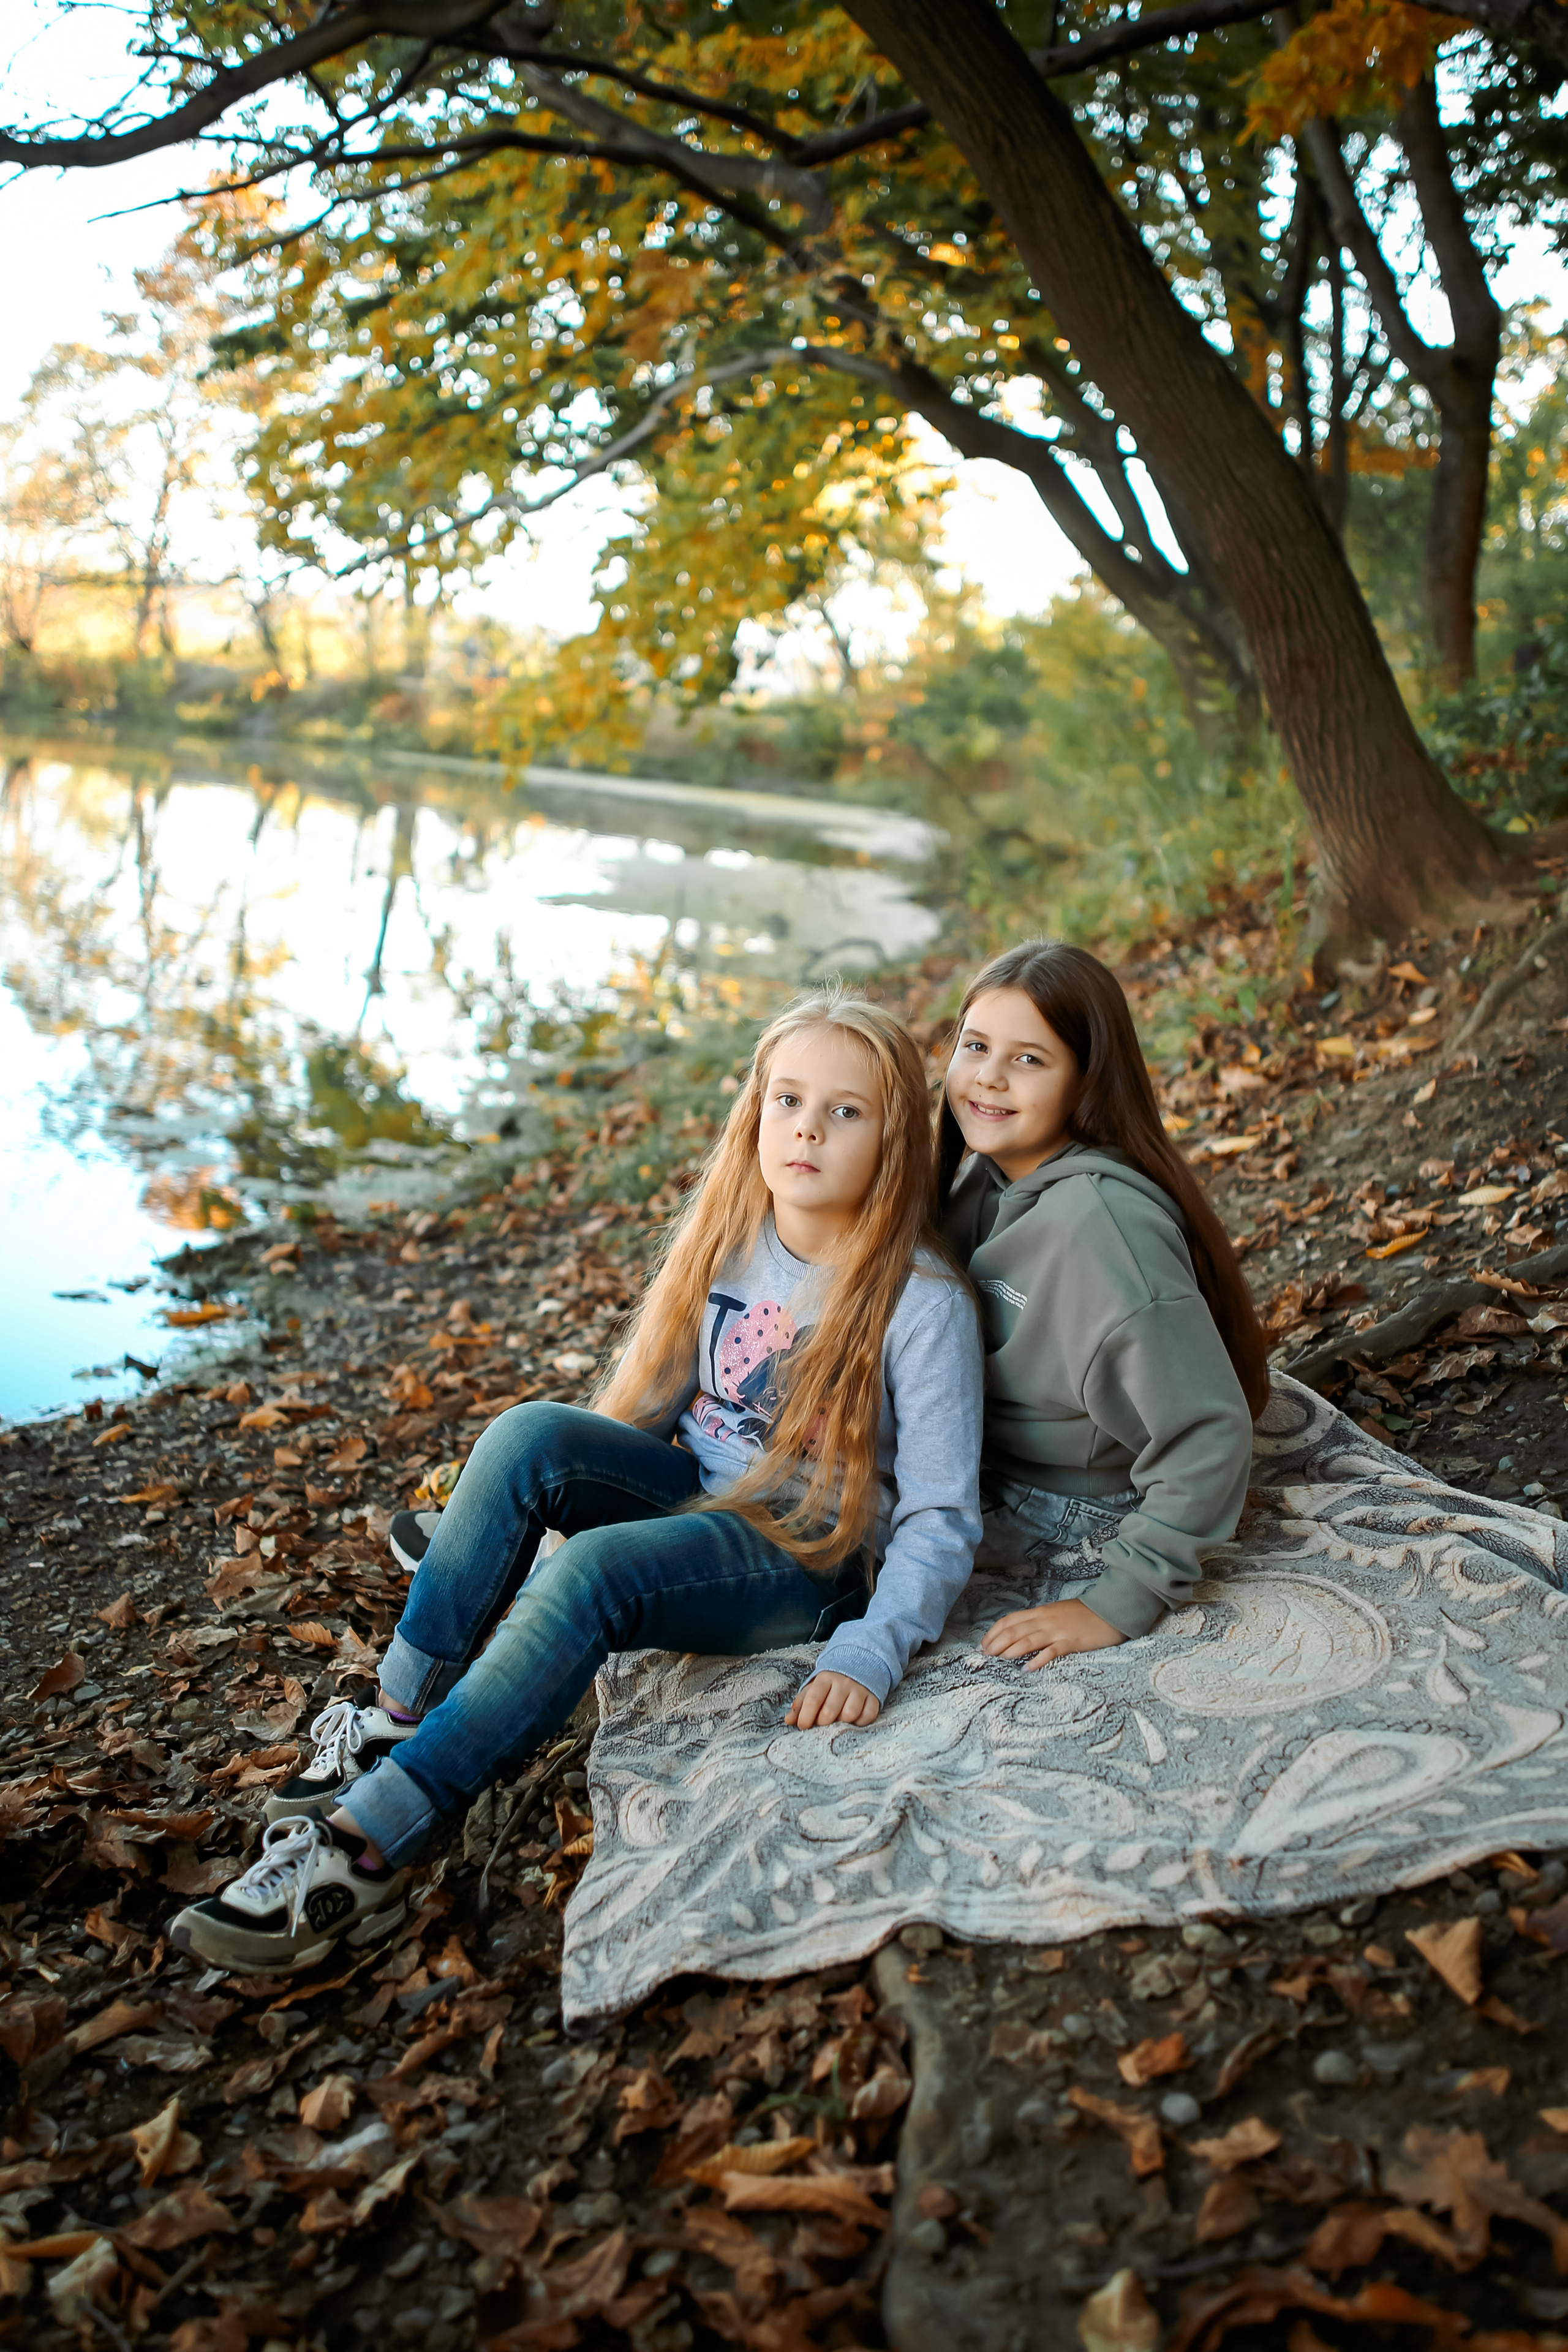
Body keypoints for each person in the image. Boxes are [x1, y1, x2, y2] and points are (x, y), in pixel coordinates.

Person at [171, 991, 984, 1975]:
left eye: (845, 1111)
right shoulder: (734, 1234)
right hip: (697, 1486)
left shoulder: (921, 1300)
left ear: (895, 1139)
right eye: (787, 1099)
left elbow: (941, 1516)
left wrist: (871, 1650)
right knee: (527, 1437)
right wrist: (536, 1508)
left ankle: (371, 1846)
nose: (807, 1127)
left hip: (805, 1554)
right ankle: (394, 1719)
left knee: (593, 1574)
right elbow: (643, 1417)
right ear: (755, 1112)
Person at [940, 940, 1267, 1675]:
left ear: (1085, 1082)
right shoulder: (986, 1178)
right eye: (975, 1045)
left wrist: (1115, 1600)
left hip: (1066, 1504)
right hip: (986, 1456)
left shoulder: (1103, 1231)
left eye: (1028, 1059)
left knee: (820, 1538)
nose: (988, 1077)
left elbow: (1209, 1430)